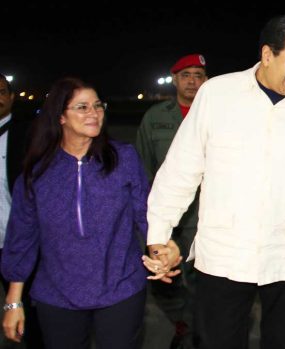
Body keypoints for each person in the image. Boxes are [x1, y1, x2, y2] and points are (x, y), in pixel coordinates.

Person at [145, 15, 285, 349]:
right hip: (224, 254)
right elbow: (180, 171)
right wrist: (159, 235)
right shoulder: (217, 95)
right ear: (267, 55)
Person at [0, 77, 175, 349]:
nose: (94, 113)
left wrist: (161, 249)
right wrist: (14, 301)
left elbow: (146, 212)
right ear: (60, 116)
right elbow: (22, 236)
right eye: (82, 107)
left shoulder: (123, 158)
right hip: (57, 294)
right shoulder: (37, 171)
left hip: (121, 287)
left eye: (98, 105)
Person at [135, 53, 208, 348]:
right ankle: (184, 323)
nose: (192, 81)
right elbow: (142, 170)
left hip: (205, 218)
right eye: (186, 75)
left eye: (199, 75)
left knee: (205, 282)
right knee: (165, 283)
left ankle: (201, 331)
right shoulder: (156, 118)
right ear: (175, 79)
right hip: (168, 219)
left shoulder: (216, 116)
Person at [0, 73, 44, 348]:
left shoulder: (29, 134)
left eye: (1, 91)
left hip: (16, 242)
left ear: (11, 97)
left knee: (27, 311)